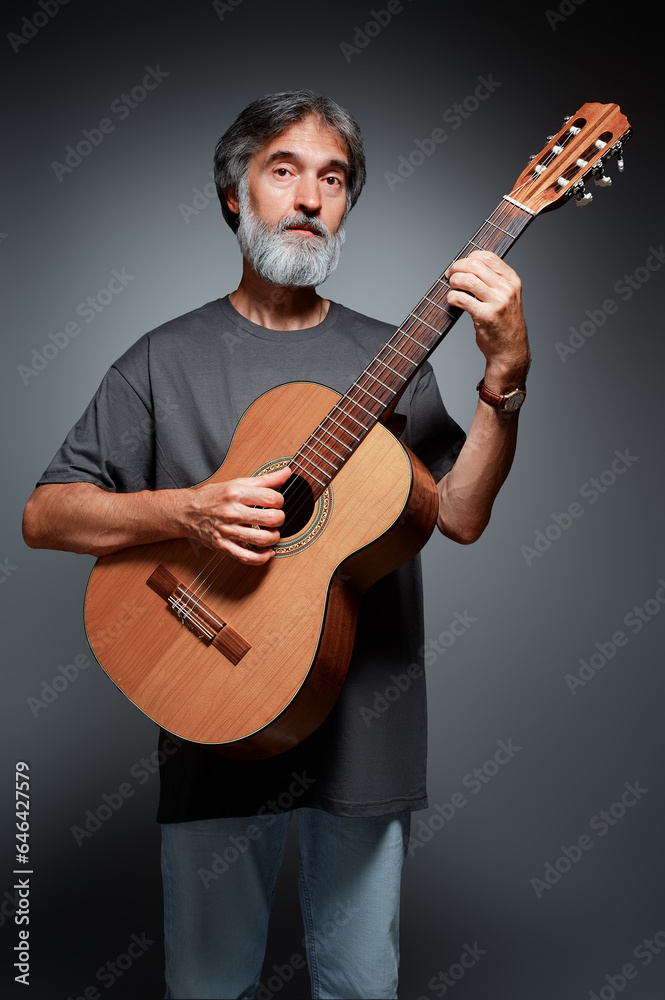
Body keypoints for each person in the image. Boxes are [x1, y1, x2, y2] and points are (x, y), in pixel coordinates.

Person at [22, 90, 530, 999]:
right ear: (234, 194)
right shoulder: (161, 357)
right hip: (208, 698)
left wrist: (505, 377)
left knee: (360, 984)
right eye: (283, 170)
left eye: (331, 179)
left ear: (346, 204)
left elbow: (457, 512)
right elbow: (47, 513)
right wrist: (189, 513)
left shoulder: (396, 357)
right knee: (209, 984)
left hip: (365, 724)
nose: (308, 197)